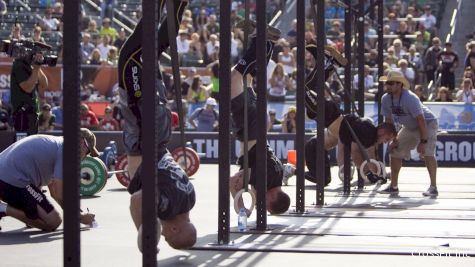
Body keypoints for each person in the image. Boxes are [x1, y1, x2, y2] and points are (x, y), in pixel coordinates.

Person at [118, 0, 196, 250]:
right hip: (145, 125)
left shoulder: (189, 199)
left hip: (158, 130)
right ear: (173, 228)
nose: (163, 234)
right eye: (167, 235)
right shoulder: (167, 206)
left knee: (154, 46)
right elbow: (137, 201)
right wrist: (146, 240)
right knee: (132, 54)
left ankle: (179, 4)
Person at [228, 21, 291, 215]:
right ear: (272, 197)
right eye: (266, 205)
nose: (262, 205)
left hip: (257, 125)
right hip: (251, 124)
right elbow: (234, 182)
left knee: (246, 77)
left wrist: (252, 202)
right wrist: (242, 211)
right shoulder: (265, 179)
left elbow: (292, 167)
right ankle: (260, 40)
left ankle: (267, 42)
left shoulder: (277, 176)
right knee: (236, 76)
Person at [0, 128, 97, 231]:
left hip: (7, 177)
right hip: (11, 180)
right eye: (87, 151)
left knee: (36, 220)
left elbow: (54, 193)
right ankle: (2, 209)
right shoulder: (67, 149)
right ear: (81, 142)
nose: (85, 157)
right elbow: (60, 194)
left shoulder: (57, 144)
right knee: (54, 222)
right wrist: (79, 217)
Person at [379, 70, 439, 196]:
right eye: (386, 83)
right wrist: (393, 140)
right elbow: (389, 122)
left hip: (428, 124)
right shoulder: (385, 99)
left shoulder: (410, 98)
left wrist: (423, 141)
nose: (387, 86)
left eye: (391, 83)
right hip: (409, 127)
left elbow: (421, 121)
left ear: (399, 84)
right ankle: (393, 186)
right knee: (394, 151)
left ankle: (433, 187)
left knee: (427, 153)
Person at [10, 44, 49, 135]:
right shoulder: (19, 65)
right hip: (22, 113)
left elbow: (44, 85)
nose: (38, 56)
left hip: (33, 112)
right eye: (36, 54)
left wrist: (38, 66)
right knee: (22, 145)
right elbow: (27, 88)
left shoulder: (33, 67)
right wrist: (36, 68)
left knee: (32, 145)